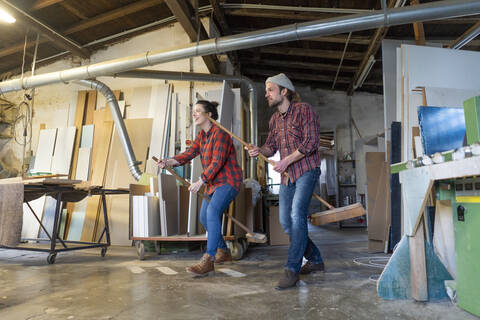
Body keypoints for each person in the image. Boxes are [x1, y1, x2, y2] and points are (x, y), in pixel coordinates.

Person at [247, 73, 324, 290]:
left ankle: (292, 269)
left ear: (284, 91)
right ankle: (316, 260)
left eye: (270, 90)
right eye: (266, 91)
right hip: (287, 175)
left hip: (307, 169)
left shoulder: (303, 110)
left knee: (296, 215)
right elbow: (270, 147)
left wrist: (286, 161)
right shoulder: (274, 120)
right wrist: (258, 150)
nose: (266, 94)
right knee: (286, 223)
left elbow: (311, 142)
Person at [157, 100, 243, 277]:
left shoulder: (221, 134)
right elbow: (188, 154)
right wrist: (168, 161)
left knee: (211, 213)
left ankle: (208, 259)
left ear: (209, 115)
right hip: (214, 184)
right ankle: (223, 252)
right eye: (193, 111)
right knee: (204, 216)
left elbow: (217, 162)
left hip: (228, 181)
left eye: (198, 111)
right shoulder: (202, 136)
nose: (194, 114)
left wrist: (201, 180)